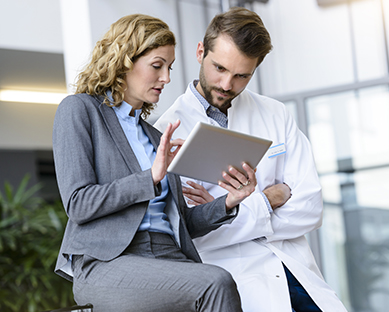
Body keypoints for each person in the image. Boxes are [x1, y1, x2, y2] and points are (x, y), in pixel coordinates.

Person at [52, 13, 257, 311]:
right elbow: (79, 204)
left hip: (168, 256)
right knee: (215, 282)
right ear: (124, 61)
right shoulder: (80, 111)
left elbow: (183, 222)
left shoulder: (153, 133)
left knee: (219, 283)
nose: (167, 78)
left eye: (170, 67)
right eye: (157, 66)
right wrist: (150, 177)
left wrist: (229, 201)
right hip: (109, 262)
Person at [154, 7, 348, 312]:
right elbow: (191, 236)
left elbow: (310, 208)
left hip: (297, 274)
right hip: (240, 285)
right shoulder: (165, 132)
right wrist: (270, 198)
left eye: (241, 75)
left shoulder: (275, 114)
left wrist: (224, 211)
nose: (227, 85)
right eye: (219, 68)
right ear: (200, 52)